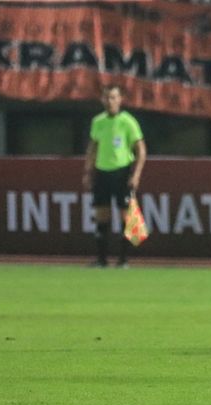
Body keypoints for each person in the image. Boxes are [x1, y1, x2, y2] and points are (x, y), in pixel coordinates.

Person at [82, 85, 146, 268]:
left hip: (122, 172)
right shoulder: (98, 122)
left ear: (120, 99)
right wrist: (88, 172)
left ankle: (123, 260)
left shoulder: (128, 122)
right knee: (102, 215)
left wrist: (136, 174)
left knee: (126, 216)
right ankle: (102, 260)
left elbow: (141, 150)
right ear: (102, 100)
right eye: (107, 98)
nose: (110, 102)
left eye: (113, 98)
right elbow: (92, 148)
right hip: (102, 172)